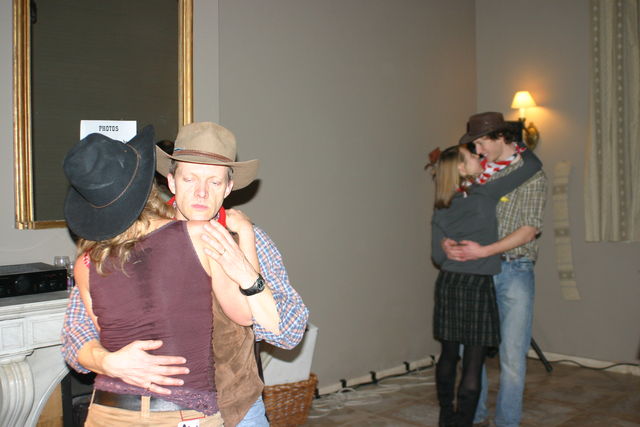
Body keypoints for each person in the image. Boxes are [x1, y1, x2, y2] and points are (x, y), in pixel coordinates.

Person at [61, 122, 309, 426]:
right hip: (154, 410)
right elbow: (76, 334)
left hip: (238, 409)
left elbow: (290, 332)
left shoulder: (249, 239)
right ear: (172, 181)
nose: (201, 192)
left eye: (214, 182)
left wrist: (246, 268)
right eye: (190, 179)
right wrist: (109, 361)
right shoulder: (126, 240)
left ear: (228, 187)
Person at [443, 112, 548, 427]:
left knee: (512, 358)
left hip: (514, 271)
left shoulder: (530, 174)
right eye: (473, 145)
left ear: (501, 137)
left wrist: (484, 250)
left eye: (481, 143)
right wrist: (449, 241)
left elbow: (529, 230)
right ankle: (474, 416)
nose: (477, 150)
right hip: (476, 273)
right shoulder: (477, 174)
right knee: (470, 353)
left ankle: (506, 422)